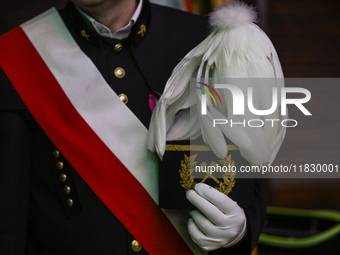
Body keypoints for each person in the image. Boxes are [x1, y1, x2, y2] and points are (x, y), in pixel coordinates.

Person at [0, 0, 266, 254]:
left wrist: (239, 232)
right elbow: (9, 216)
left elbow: (248, 188)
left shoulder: (209, 40)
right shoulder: (18, 55)